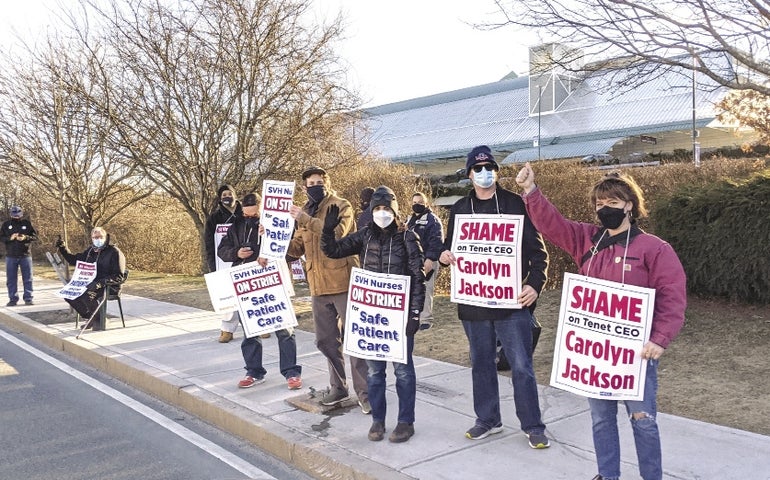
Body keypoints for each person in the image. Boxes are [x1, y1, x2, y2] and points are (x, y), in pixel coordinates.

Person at [515, 162, 687, 480]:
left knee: (643, 418)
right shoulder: (587, 240)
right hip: (595, 353)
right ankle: (608, 475)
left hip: (637, 353)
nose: (605, 208)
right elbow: (552, 225)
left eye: (613, 202)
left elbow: (672, 299)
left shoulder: (655, 249)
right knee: (600, 419)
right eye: (600, 203)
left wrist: (659, 339)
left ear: (630, 205)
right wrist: (531, 191)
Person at [438, 145, 550, 449]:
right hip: (474, 303)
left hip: (512, 304)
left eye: (489, 167)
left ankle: (533, 425)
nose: (484, 173)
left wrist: (535, 285)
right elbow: (448, 247)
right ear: (469, 174)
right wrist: (444, 255)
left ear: (496, 172)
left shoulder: (516, 204)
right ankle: (488, 420)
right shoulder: (459, 209)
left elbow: (538, 254)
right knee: (481, 363)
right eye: (477, 169)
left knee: (521, 366)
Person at [321, 185, 425, 443]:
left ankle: (405, 421)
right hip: (373, 319)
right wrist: (327, 230)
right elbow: (333, 251)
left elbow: (417, 277)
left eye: (386, 208)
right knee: (375, 372)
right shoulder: (364, 236)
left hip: (399, 317)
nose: (381, 213)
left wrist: (414, 314)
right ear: (370, 211)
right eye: (377, 209)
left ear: (394, 210)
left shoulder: (407, 237)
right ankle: (378, 420)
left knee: (403, 371)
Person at [287, 166, 370, 413]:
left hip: (343, 280)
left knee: (354, 339)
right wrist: (272, 239)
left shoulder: (340, 205)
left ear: (327, 182)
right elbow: (297, 248)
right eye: (311, 182)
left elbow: (336, 233)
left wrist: (303, 219)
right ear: (304, 187)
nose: (315, 186)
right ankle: (338, 387)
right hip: (317, 285)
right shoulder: (305, 211)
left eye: (319, 181)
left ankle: (365, 393)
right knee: (325, 341)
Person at [218, 193, 302, 390]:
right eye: (246, 215)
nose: (249, 218)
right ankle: (254, 371)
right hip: (247, 283)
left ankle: (291, 372)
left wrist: (270, 237)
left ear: (262, 210)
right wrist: (236, 253)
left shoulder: (276, 223)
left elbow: (292, 252)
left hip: (273, 281)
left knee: (285, 330)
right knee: (250, 331)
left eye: (254, 216)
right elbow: (223, 249)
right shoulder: (236, 225)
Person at [57, 227, 126, 330]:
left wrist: (100, 283)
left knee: (86, 294)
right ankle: (91, 318)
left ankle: (100, 319)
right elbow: (74, 260)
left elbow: (119, 276)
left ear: (105, 237)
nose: (97, 239)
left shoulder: (114, 252)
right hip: (92, 282)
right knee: (69, 293)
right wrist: (63, 249)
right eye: (95, 237)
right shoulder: (91, 251)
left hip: (109, 285)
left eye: (100, 237)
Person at [204, 184, 243, 343]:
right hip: (223, 262)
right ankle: (227, 329)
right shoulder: (214, 219)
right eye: (224, 195)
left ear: (235, 195)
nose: (227, 197)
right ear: (220, 199)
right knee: (228, 297)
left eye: (229, 194)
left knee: (249, 294)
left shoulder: (245, 213)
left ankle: (257, 327)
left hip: (246, 260)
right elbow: (209, 244)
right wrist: (212, 265)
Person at [407, 191, 444, 330]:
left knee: (426, 289)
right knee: (414, 290)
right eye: (415, 202)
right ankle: (415, 317)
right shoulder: (410, 220)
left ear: (426, 203)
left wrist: (430, 259)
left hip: (428, 260)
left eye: (420, 202)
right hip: (413, 261)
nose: (417, 205)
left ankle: (426, 319)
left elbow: (436, 241)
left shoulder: (432, 220)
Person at [1, 205, 38, 306]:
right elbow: (2, 238)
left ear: (21, 214)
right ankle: (13, 299)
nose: (16, 217)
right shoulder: (6, 225)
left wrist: (25, 237)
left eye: (18, 215)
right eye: (14, 215)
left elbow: (35, 237)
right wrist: (10, 238)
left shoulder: (27, 224)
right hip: (11, 256)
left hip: (25, 255)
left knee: (28, 278)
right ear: (11, 215)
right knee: (11, 279)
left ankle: (28, 298)